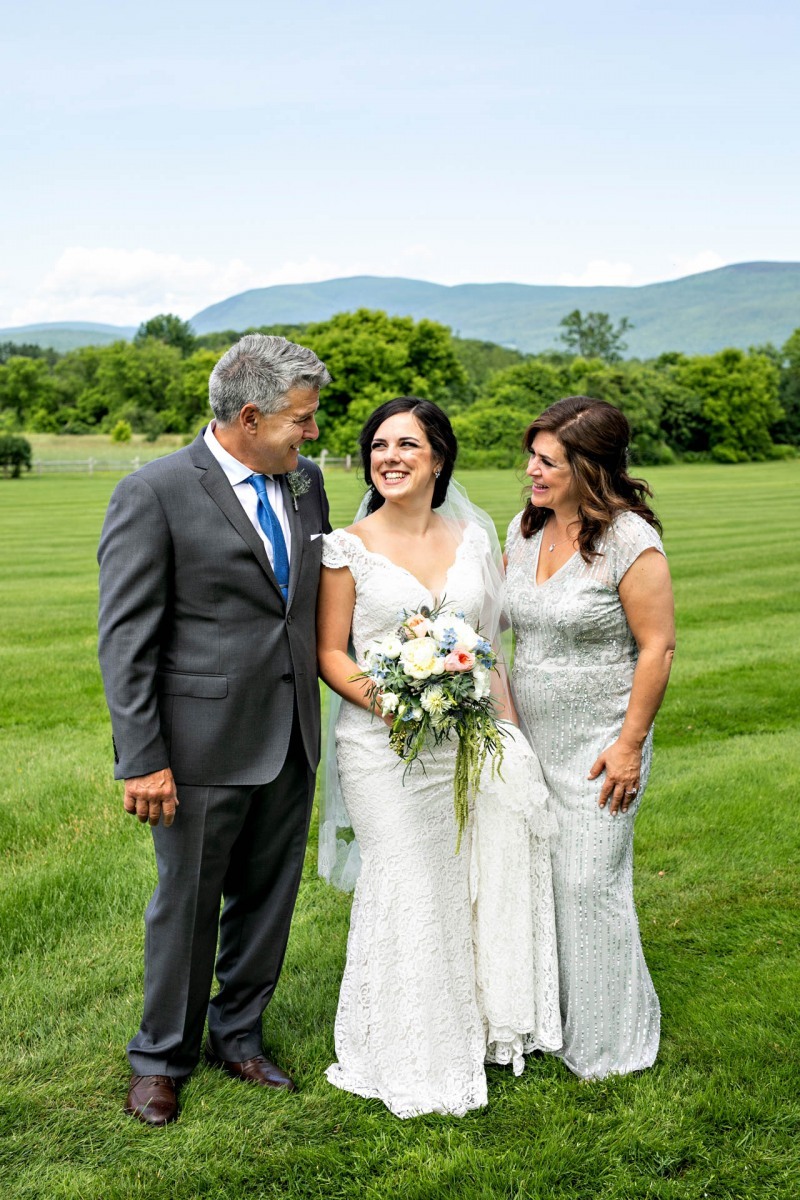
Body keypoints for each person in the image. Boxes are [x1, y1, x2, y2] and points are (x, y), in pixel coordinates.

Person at [97, 334, 331, 1125]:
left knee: (269, 900)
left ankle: (240, 1038)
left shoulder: (307, 486)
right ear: (250, 414)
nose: (313, 432)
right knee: (187, 904)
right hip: (196, 748)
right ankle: (160, 1058)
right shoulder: (154, 492)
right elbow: (126, 638)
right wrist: (142, 758)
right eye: (302, 418)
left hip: (291, 734)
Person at [316, 397, 560, 1119]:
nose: (389, 457)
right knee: (412, 879)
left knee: (460, 880)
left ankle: (471, 1025)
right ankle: (408, 1053)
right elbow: (331, 652)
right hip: (381, 749)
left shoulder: (474, 541)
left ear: (439, 458)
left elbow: (488, 652)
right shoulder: (345, 546)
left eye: (407, 445)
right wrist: (392, 701)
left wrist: (511, 738)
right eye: (379, 445)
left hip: (464, 742)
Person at [504, 395, 675, 1080]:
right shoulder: (521, 531)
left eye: (546, 462)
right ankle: (557, 1018)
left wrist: (630, 744)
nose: (530, 471)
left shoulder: (631, 540)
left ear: (587, 467)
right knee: (543, 879)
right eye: (533, 457)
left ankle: (612, 1046)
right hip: (530, 738)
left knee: (588, 882)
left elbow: (657, 646)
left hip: (604, 740)